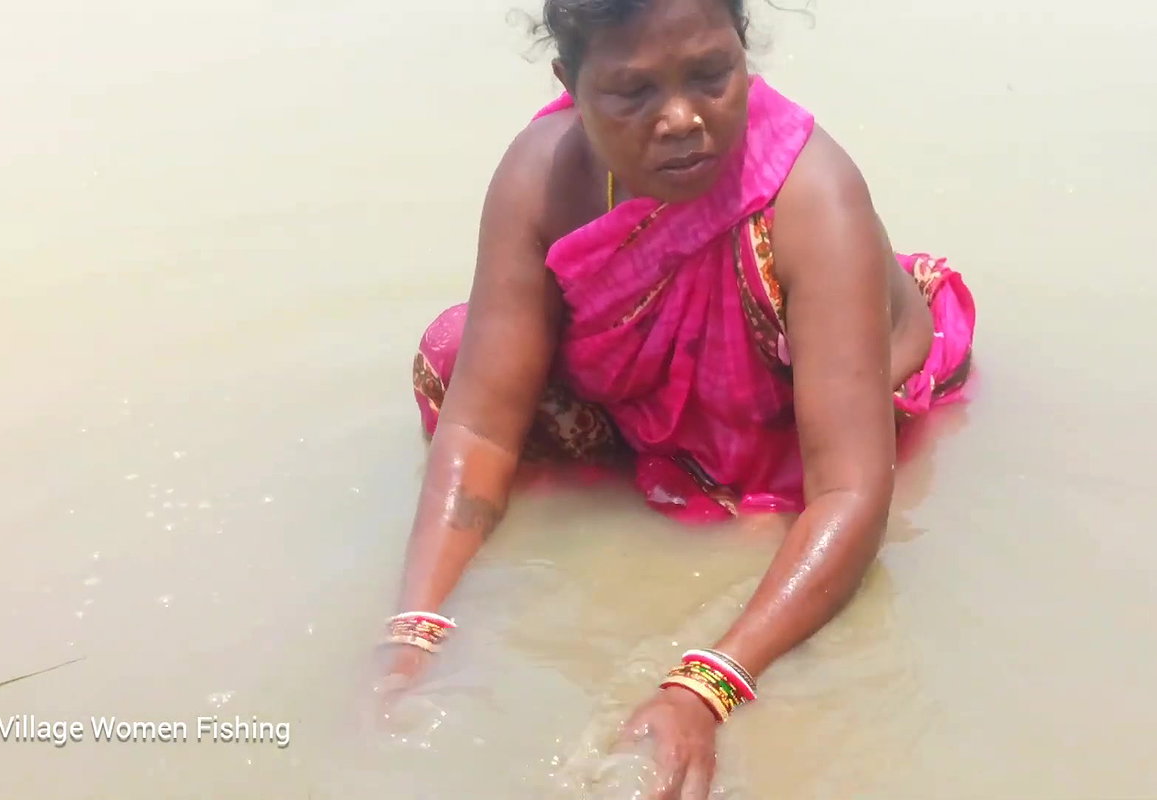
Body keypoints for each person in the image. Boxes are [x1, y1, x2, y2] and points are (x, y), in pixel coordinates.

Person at [376, 0, 976, 797]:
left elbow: (852, 493)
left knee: (797, 524)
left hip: (811, 414)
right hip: (659, 411)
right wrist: (415, 632)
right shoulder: (543, 176)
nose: (683, 119)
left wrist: (708, 686)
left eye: (710, 75)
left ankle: (740, 516)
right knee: (454, 355)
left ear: (744, 56)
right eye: (632, 93)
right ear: (571, 85)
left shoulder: (811, 201)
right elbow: (482, 427)